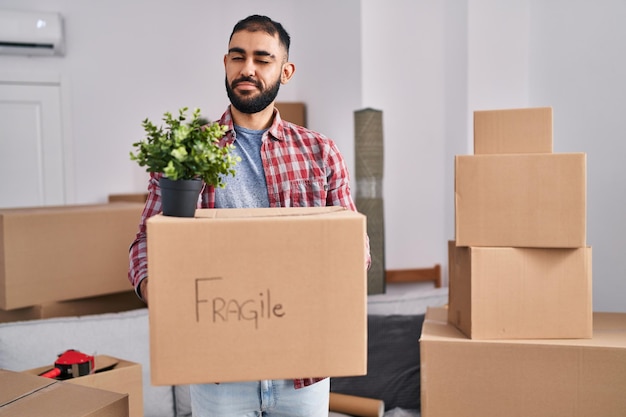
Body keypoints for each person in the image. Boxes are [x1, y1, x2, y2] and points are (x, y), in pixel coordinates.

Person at [128, 14, 370, 417]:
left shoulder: (320, 152)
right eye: (238, 57)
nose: (248, 69)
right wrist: (166, 299)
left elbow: (353, 246)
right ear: (225, 64)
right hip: (218, 372)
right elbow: (145, 246)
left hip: (303, 369)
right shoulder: (186, 154)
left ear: (285, 71)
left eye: (263, 58)